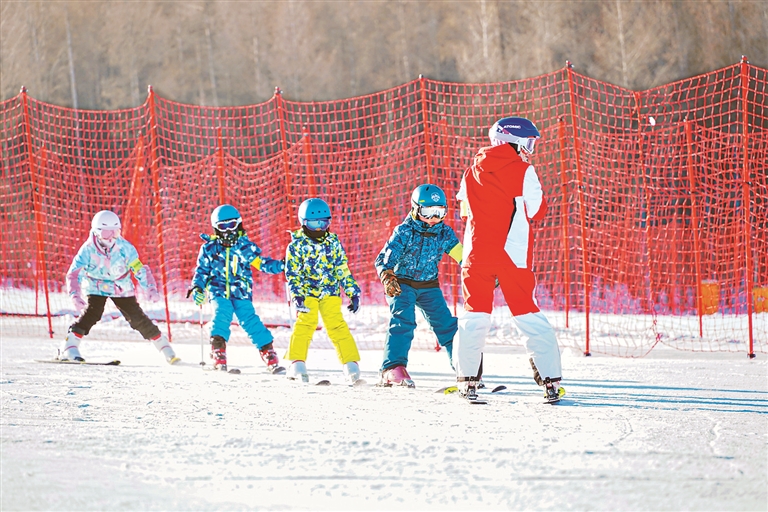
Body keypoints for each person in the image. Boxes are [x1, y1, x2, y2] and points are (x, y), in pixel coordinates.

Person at [454, 116, 565, 403]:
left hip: (475, 256)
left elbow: (465, 213)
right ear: (512, 141)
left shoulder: (470, 171)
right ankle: (550, 381)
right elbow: (538, 210)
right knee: (528, 315)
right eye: (528, 142)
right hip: (511, 256)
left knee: (473, 317)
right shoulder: (524, 170)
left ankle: (467, 381)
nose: (530, 149)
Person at [61, 210, 179, 364]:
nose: (110, 237)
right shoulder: (87, 249)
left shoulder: (125, 248)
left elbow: (138, 269)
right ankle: (69, 346)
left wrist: (150, 288)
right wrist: (75, 295)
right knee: (93, 313)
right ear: (97, 232)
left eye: (115, 232)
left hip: (121, 287)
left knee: (137, 317)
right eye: (106, 232)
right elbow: (74, 273)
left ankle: (165, 349)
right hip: (95, 286)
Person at [374, 184, 463, 388]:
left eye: (439, 212)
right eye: (428, 212)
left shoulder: (444, 233)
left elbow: (462, 256)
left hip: (429, 285)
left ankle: (463, 365)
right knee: (403, 321)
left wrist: (477, 272)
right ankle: (392, 368)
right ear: (415, 210)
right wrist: (388, 277)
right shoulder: (404, 232)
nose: (433, 218)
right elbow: (383, 259)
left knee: (447, 325)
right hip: (401, 283)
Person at [187, 204, 285, 373]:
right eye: (223, 227)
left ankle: (267, 351)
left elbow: (261, 263)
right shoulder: (210, 249)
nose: (228, 231)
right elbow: (202, 270)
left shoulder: (244, 248)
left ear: (238, 224)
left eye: (231, 225)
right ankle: (218, 351)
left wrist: (280, 266)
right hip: (218, 290)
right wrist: (198, 287)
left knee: (250, 320)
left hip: (241, 292)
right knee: (221, 314)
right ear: (216, 228)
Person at [284, 198, 362, 384]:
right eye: (314, 223)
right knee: (305, 324)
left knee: (337, 326)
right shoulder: (295, 246)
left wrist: (352, 291)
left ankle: (351, 365)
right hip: (306, 293)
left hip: (330, 292)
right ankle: (297, 364)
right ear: (303, 222)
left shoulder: (333, 243)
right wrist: (297, 295)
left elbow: (342, 268)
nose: (319, 228)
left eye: (323, 222)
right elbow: (292, 274)